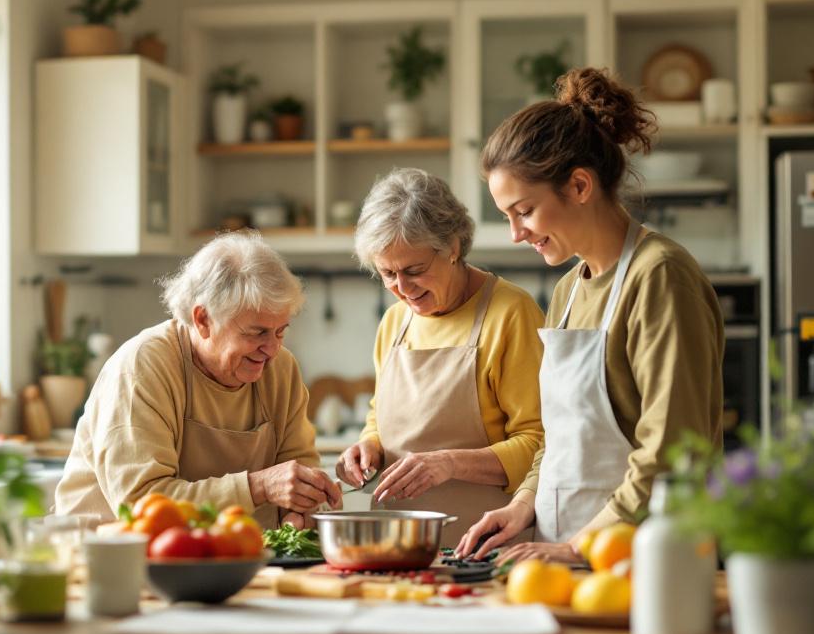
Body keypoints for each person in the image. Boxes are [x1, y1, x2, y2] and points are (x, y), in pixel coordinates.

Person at [455, 68, 724, 563]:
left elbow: (671, 453)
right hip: (571, 558)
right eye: (507, 216)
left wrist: (577, 548)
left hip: (647, 561)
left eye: (525, 211)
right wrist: (522, 504)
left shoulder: (660, 277)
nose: (516, 233)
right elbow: (561, 437)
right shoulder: (567, 291)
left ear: (579, 185)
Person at [55, 231, 341, 529]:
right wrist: (259, 486)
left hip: (223, 554)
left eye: (281, 331)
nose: (272, 349)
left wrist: (302, 510)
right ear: (203, 320)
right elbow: (140, 505)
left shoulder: (281, 370)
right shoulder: (142, 367)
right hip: (105, 555)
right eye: (257, 333)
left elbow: (299, 471)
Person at [335, 168, 545, 546]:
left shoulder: (512, 313)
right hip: (397, 544)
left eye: (414, 270)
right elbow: (379, 417)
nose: (402, 289)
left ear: (452, 246)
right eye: (387, 273)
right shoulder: (394, 322)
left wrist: (449, 463)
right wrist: (369, 446)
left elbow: (540, 443)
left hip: (486, 544)